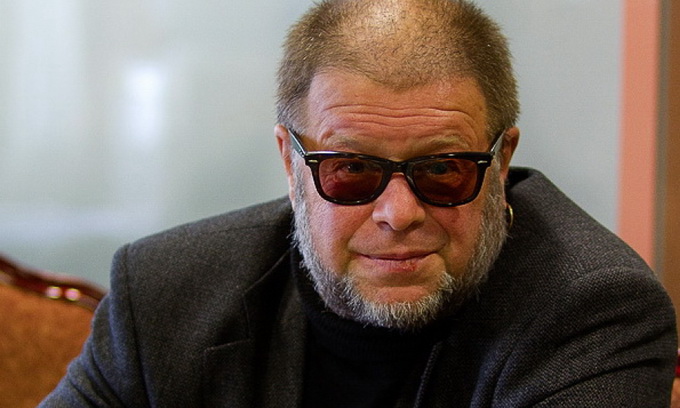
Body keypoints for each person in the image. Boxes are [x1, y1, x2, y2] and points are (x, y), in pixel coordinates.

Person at [41, 0, 677, 406]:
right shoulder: (164, 293)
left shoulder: (593, 312)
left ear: (501, 161)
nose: (399, 213)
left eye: (443, 170)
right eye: (352, 170)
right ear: (291, 163)